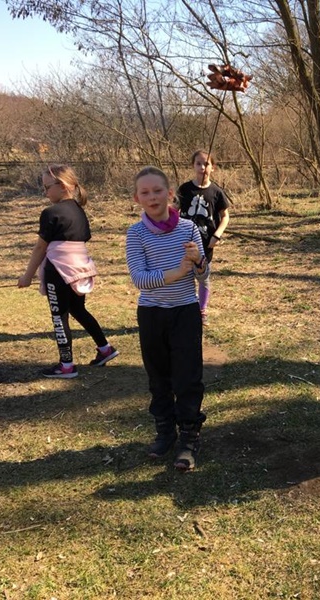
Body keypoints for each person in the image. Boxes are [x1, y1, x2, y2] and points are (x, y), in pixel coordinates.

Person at [126, 166, 209, 471]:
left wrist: (198, 261)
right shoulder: (135, 234)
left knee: (188, 377)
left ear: (170, 194)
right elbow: (140, 279)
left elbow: (203, 276)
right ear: (137, 198)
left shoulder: (189, 229)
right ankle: (165, 431)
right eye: (145, 192)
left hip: (185, 312)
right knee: (158, 377)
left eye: (158, 191)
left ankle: (188, 436)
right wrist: (175, 272)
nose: (152, 197)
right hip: (152, 315)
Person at [18, 164, 119, 378]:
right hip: (79, 268)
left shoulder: (50, 213)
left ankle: (66, 366)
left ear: (63, 185)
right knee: (78, 309)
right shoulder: (79, 211)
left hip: (58, 270)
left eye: (47, 187)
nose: (45, 192)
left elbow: (40, 248)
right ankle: (105, 348)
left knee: (59, 316)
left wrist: (27, 276)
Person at [176, 150, 230, 324]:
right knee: (183, 277)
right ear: (193, 166)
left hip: (206, 244)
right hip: (184, 243)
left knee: (203, 278)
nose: (202, 167)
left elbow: (225, 217)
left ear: (213, 167)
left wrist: (217, 235)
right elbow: (173, 211)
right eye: (198, 163)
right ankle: (183, 310)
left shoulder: (216, 192)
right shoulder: (184, 189)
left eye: (206, 164)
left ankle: (202, 311)